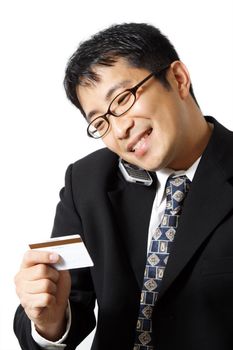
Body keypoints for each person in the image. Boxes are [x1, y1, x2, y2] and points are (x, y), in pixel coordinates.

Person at [13, 22, 233, 350]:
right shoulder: (86, 182)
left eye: (123, 100)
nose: (119, 129)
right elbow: (65, 298)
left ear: (178, 79)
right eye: (100, 121)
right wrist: (47, 320)